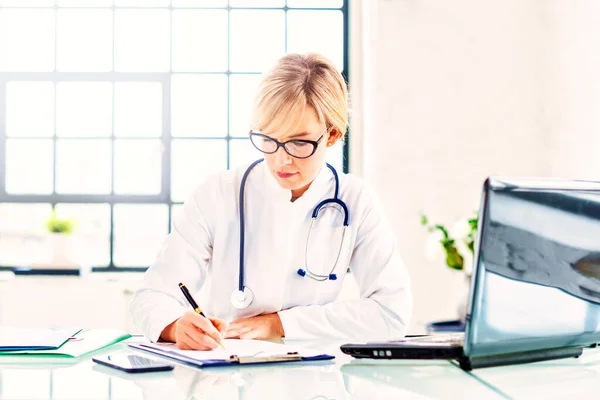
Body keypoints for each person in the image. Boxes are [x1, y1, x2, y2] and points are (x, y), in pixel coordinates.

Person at [130, 53, 412, 350]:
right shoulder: (218, 193)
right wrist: (175, 326)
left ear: (331, 135)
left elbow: (391, 312)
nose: (281, 159)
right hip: (227, 372)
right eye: (268, 139)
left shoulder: (356, 200)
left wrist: (279, 324)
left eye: (299, 142)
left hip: (312, 378)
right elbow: (151, 297)